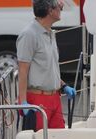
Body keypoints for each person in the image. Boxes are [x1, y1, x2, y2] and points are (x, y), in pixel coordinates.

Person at [17, 0, 77, 130]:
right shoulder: (29, 35)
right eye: (58, 5)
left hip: (55, 98)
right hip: (38, 99)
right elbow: (23, 71)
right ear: (50, 10)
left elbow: (49, 68)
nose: (61, 6)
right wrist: (23, 103)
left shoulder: (50, 33)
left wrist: (63, 85)